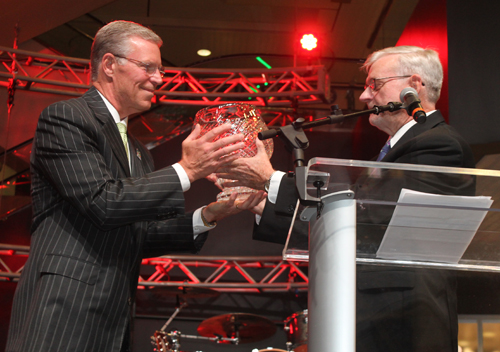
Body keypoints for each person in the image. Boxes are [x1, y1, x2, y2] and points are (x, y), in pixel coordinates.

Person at [5, 20, 265, 352]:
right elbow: (103, 202)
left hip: (114, 316)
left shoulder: (139, 152)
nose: (159, 78)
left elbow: (139, 235)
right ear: (110, 65)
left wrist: (211, 214)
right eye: (149, 67)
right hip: (63, 308)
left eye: (160, 69)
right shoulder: (66, 118)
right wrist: (187, 169)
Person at [218, 46, 476, 351]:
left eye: (374, 84)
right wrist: (261, 200)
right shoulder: (395, 151)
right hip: (377, 319)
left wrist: (269, 177)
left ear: (415, 86)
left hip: (404, 325)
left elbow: (372, 223)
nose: (365, 97)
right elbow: (353, 227)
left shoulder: (439, 145)